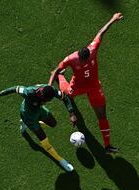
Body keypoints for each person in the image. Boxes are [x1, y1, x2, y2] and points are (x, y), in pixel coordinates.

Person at [49, 12, 123, 154]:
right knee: (66, 94)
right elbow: (55, 70)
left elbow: (101, 32)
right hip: (78, 85)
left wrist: (113, 19)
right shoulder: (71, 59)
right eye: (83, 61)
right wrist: (49, 84)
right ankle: (62, 79)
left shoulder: (93, 49)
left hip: (94, 86)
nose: (86, 62)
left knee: (102, 115)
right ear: (79, 57)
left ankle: (107, 147)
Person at [0, 84, 77, 172]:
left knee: (53, 124)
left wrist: (72, 113)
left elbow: (64, 97)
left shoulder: (51, 90)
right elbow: (15, 88)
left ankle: (26, 123)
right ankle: (61, 161)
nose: (46, 102)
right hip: (28, 116)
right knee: (45, 141)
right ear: (41, 95)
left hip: (39, 110)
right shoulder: (29, 92)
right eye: (45, 100)